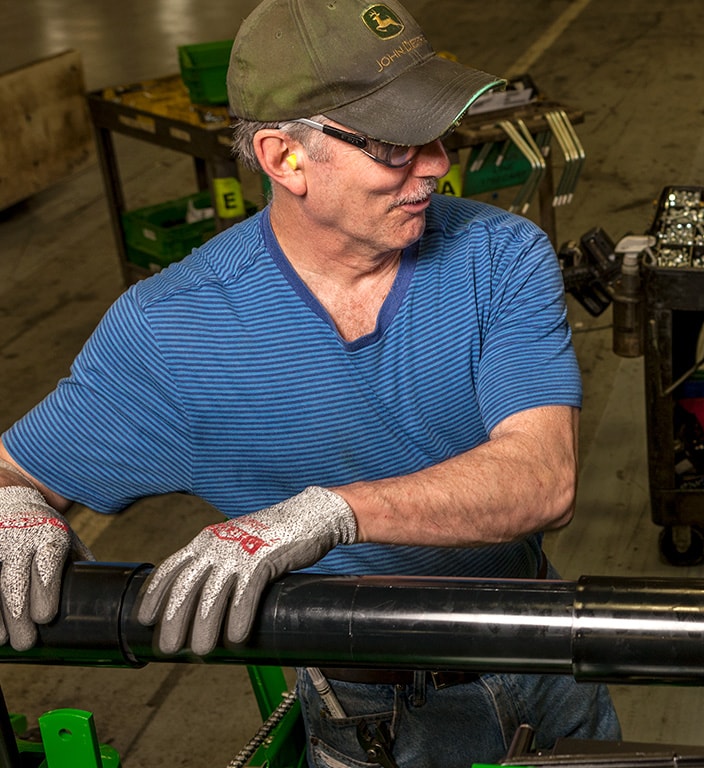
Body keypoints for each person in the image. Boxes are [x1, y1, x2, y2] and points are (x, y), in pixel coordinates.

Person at [0, 0, 619, 764]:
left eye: (437, 132)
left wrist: (327, 514)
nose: (436, 164)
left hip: (537, 654)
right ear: (283, 157)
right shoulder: (172, 333)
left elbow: (542, 477)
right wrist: (16, 504)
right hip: (359, 706)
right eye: (396, 145)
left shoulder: (500, 257)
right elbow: (14, 470)